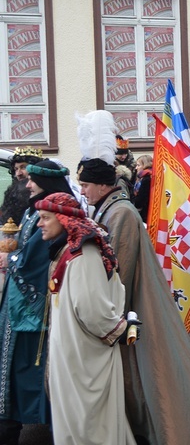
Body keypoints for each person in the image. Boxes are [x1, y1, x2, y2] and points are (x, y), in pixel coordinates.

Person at [77, 109, 190, 444]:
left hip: (136, 310)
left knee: (154, 377)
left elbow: (119, 270)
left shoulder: (121, 214)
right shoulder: (108, 208)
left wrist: (103, 309)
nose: (84, 192)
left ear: (102, 185)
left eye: (86, 185)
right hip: (129, 307)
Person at [35, 192, 137, 445]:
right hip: (75, 351)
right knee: (81, 418)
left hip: (83, 354)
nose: (39, 224)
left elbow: (93, 311)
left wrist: (119, 329)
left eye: (45, 218)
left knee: (88, 422)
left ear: (64, 219)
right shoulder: (70, 251)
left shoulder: (82, 254)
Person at [0, 160, 73, 445]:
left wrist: (13, 258)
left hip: (32, 313)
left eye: (32, 179)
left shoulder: (56, 213)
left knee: (30, 372)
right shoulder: (37, 210)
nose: (27, 183)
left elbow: (33, 261)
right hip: (20, 307)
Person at [0, 147, 43, 227]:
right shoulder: (12, 193)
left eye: (23, 167)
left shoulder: (43, 196)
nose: (18, 174)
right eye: (16, 169)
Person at [132, 154, 153, 222]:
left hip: (145, 214)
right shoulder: (143, 177)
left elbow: (140, 200)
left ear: (145, 165)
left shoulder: (146, 179)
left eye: (138, 165)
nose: (136, 168)